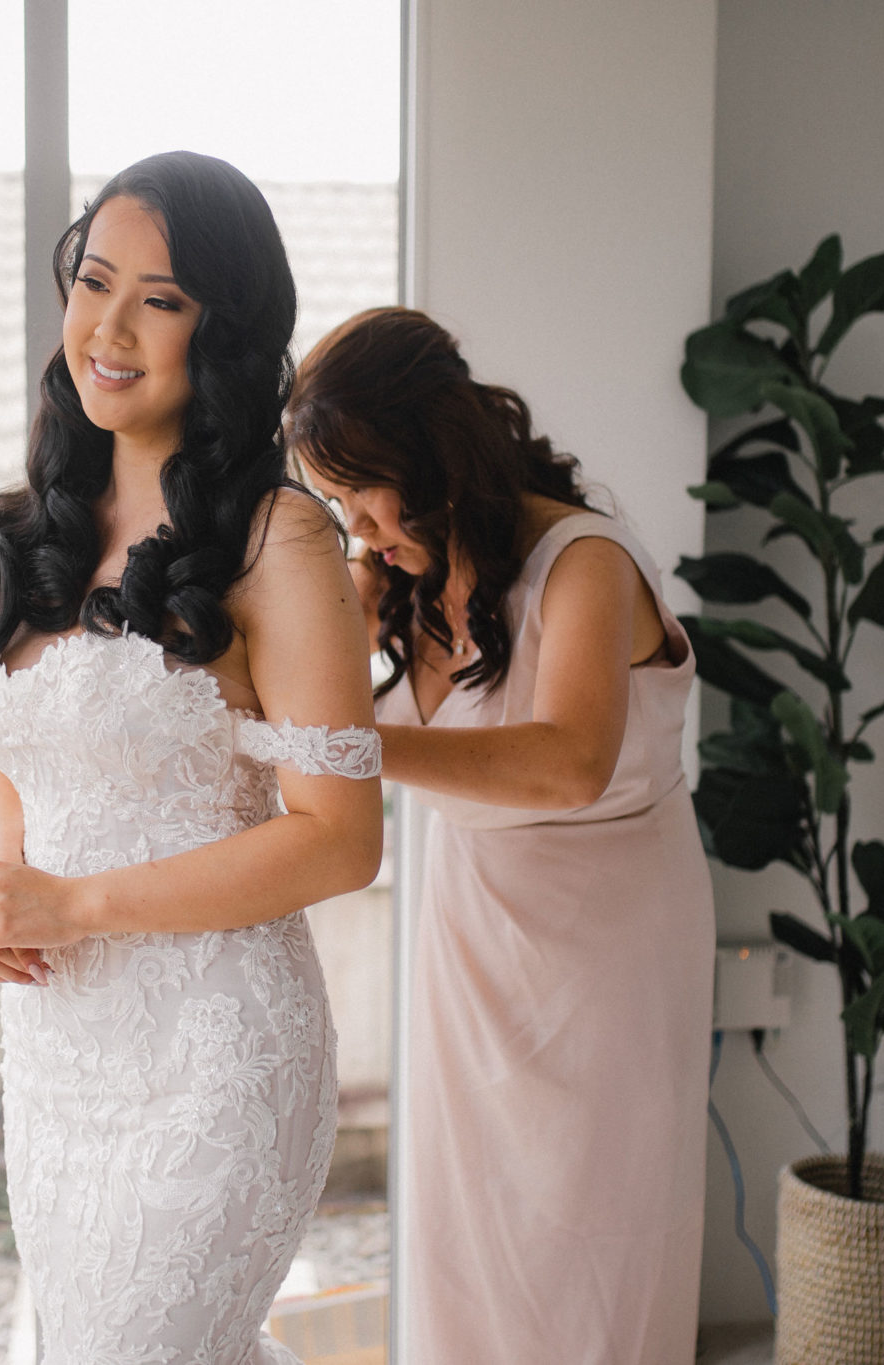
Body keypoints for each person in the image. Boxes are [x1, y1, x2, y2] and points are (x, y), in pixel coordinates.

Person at [0, 152, 385, 1364]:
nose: (111, 327)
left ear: (221, 331)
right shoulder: (17, 533)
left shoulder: (274, 538)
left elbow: (340, 840)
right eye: (94, 282)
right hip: (57, 1060)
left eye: (162, 299)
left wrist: (74, 902)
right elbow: (2, 767)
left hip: (213, 1064)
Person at [289, 307, 715, 1365]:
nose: (356, 528)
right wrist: (356, 592)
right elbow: (316, 702)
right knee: (466, 1243)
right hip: (473, 940)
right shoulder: (413, 581)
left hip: (602, 963)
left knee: (585, 1253)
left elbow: (565, 761)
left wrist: (345, 745)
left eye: (358, 497)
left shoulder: (585, 564)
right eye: (334, 506)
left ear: (427, 455)